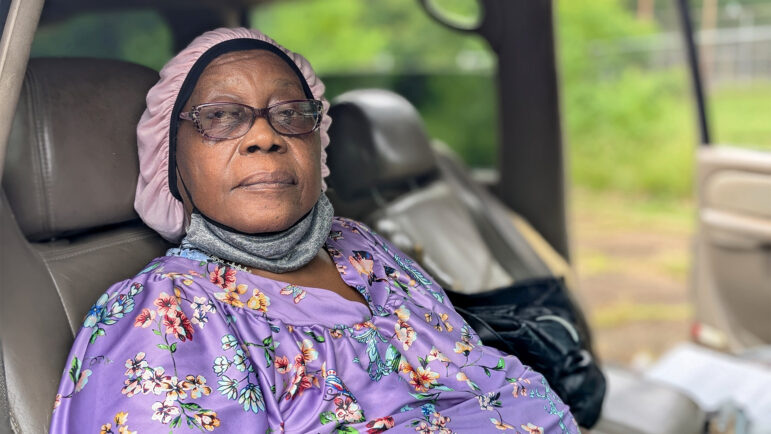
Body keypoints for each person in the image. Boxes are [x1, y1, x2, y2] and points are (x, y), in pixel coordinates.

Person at [49, 27, 578, 433]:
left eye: (291, 113)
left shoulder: (363, 248)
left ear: (317, 143)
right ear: (170, 163)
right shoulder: (167, 316)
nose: (264, 136)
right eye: (221, 117)